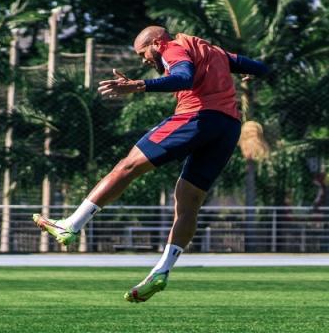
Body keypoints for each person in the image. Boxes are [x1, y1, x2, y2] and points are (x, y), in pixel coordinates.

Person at [33, 26, 269, 302]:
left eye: (143, 52)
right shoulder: (213, 50)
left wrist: (138, 85)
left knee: (126, 166)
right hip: (228, 128)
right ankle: (161, 271)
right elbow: (258, 67)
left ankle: (71, 225)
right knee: (188, 200)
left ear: (157, 42)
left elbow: (183, 77)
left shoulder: (173, 47)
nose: (143, 60)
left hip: (197, 117)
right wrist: (251, 72)